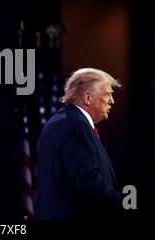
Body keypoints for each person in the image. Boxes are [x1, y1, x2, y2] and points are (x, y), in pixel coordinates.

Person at [35, 67, 124, 220]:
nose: (112, 101)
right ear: (87, 98)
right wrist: (125, 201)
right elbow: (87, 181)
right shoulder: (76, 126)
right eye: (107, 94)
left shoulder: (62, 120)